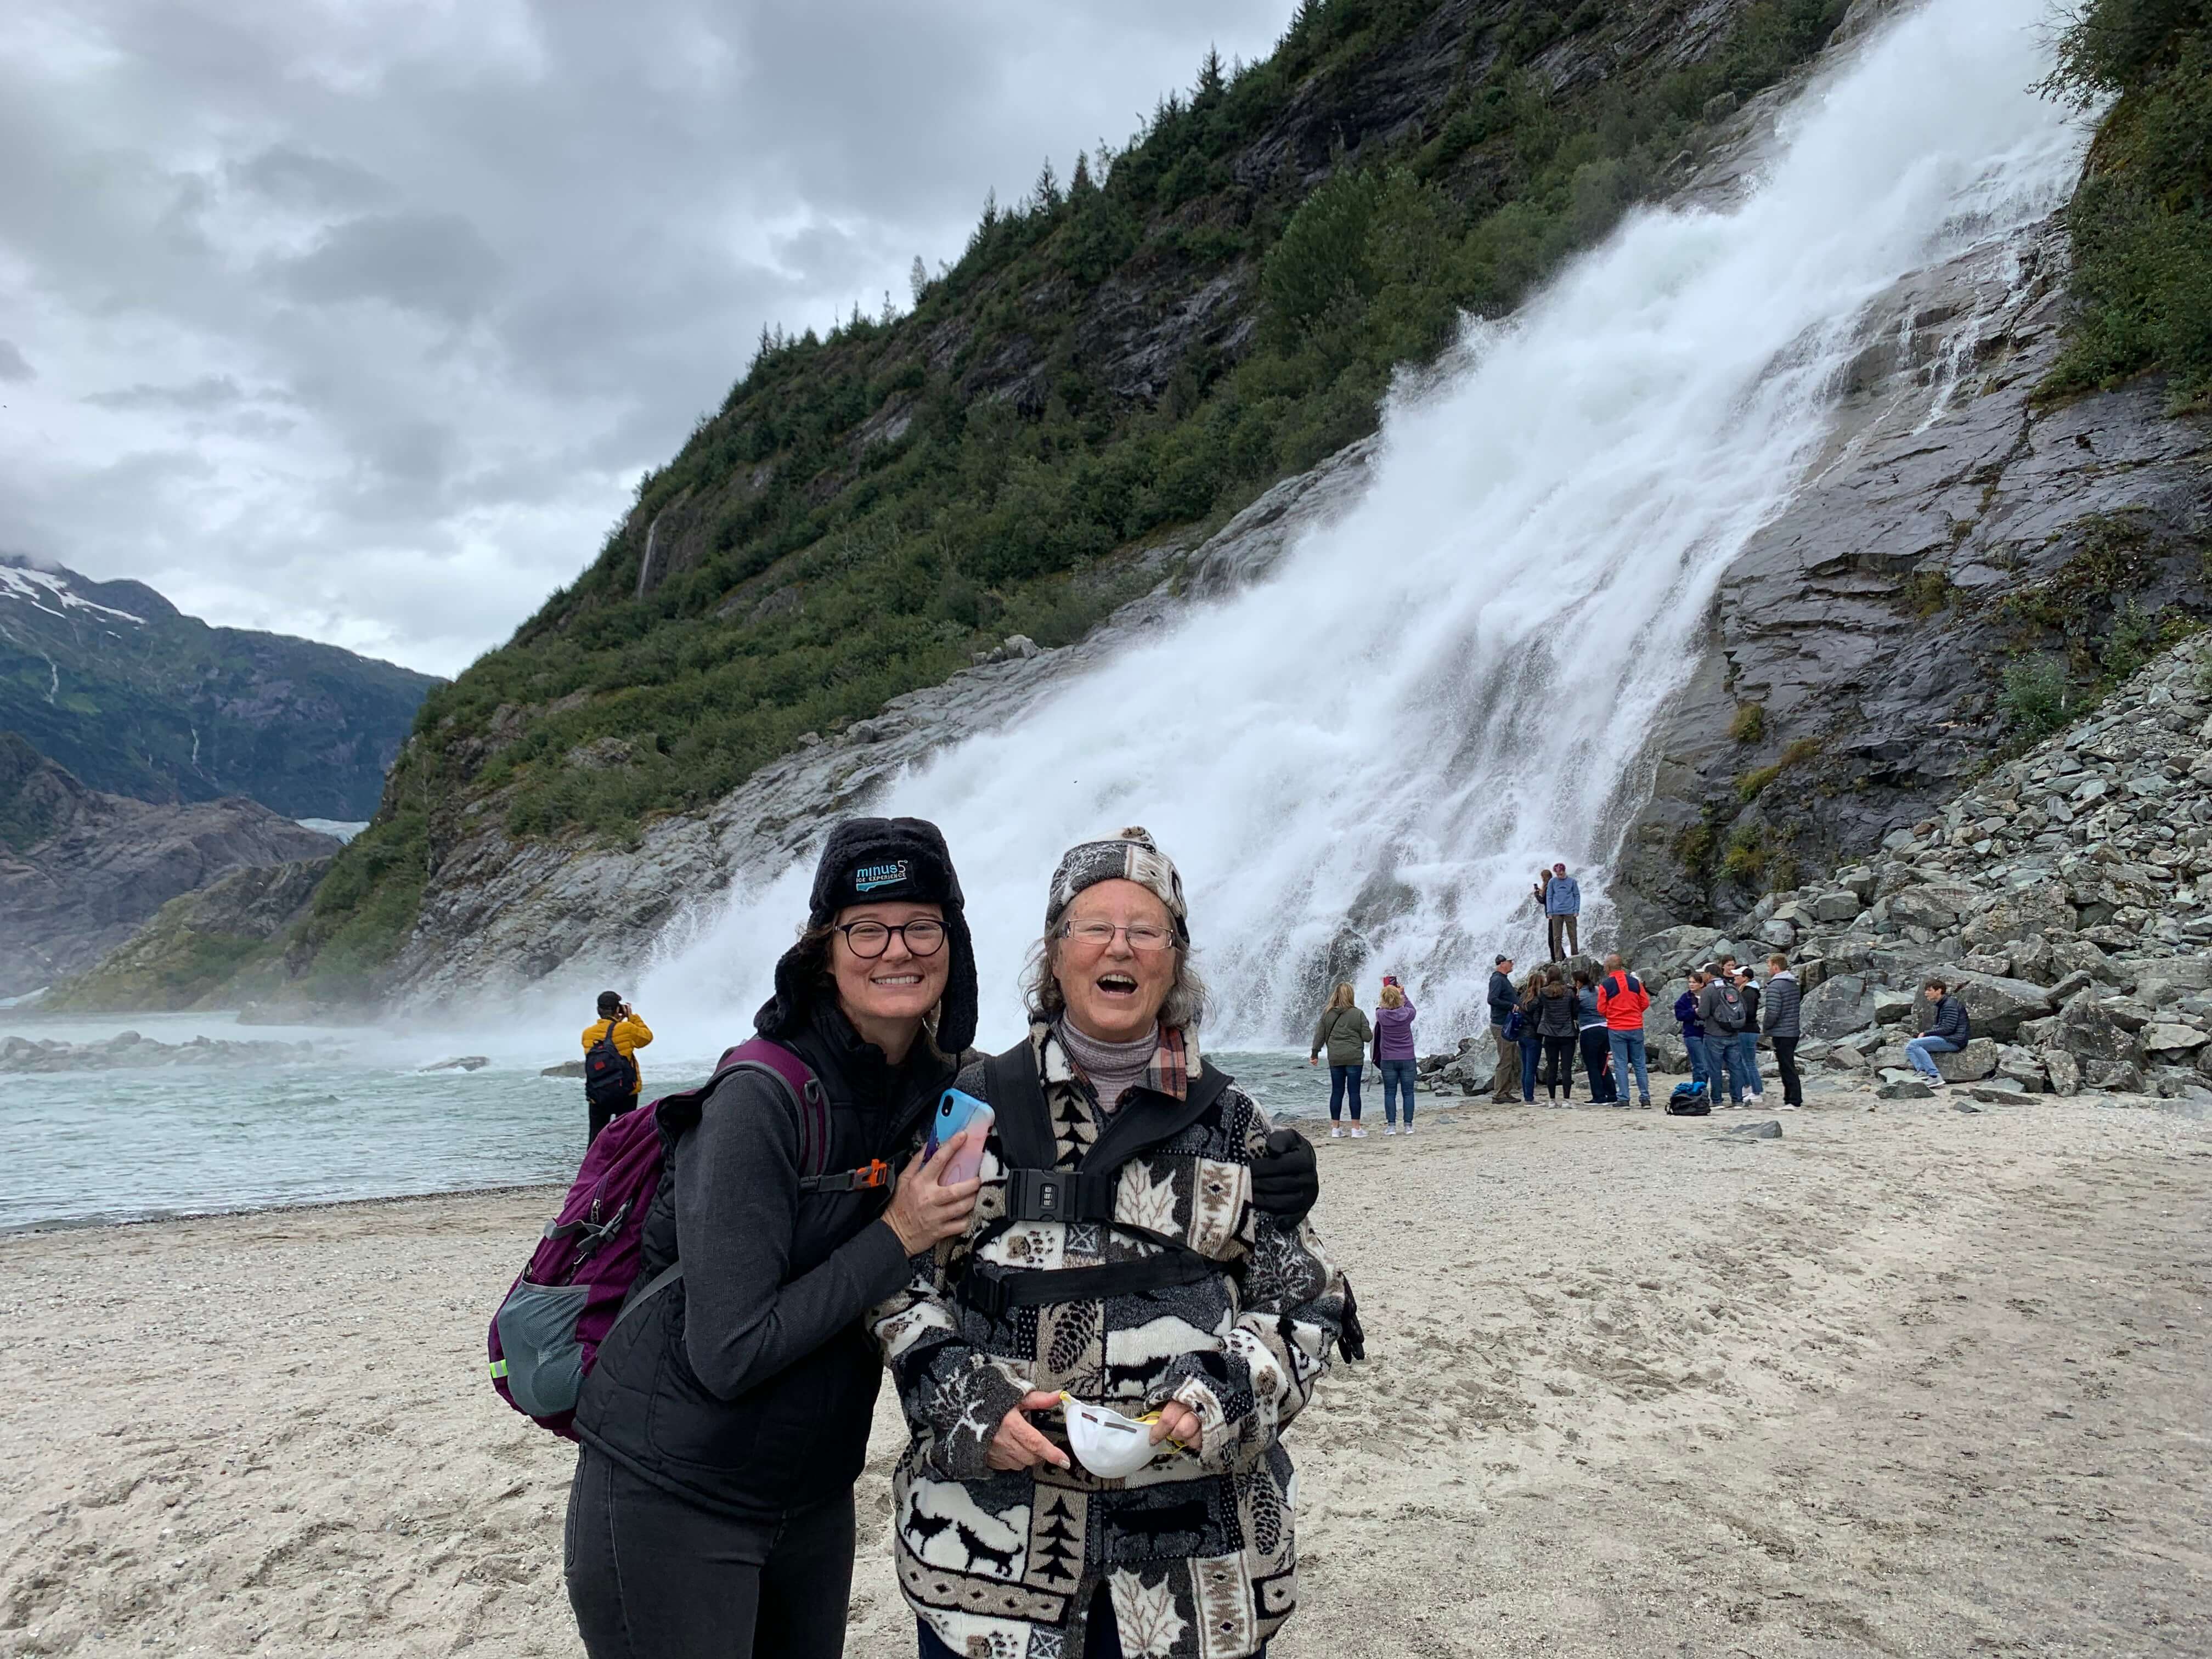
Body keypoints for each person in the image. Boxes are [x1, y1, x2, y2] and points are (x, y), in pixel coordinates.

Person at [872, 827, 1347, 1659]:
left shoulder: (1237, 1124)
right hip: (990, 1570)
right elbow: (898, 1287)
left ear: (1174, 963)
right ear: (1055, 956)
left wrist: (1218, 1402)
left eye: (1146, 930)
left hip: (1201, 1575)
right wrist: (972, 1404)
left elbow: (1306, 1305)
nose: (1119, 946)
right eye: (1094, 926)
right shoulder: (969, 1107)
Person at [565, 819, 985, 1659]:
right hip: (671, 1493)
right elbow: (730, 1349)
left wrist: (1264, 1166)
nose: (895, 949)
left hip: (812, 1497)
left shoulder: (945, 1086)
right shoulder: (761, 1095)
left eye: (921, 925)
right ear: (824, 949)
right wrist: (895, 1234)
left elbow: (1083, 1097)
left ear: (951, 943)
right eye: (866, 928)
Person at [580, 991, 654, 1146]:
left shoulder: (587, 1034)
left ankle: (594, 1168)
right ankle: (624, 1167)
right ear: (617, 1009)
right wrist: (632, 1017)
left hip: (597, 1092)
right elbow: (646, 1038)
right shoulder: (626, 1028)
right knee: (626, 1136)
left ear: (599, 1010)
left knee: (596, 1138)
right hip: (625, 1091)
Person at [1308, 981, 1373, 1138]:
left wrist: (1315, 1054)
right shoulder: (1358, 1014)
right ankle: (1356, 1129)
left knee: (1337, 1092)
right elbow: (1367, 1037)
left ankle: (1335, 1129)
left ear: (1335, 995)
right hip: (1354, 1058)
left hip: (1335, 1058)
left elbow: (1320, 1035)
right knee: (1354, 1093)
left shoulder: (1327, 1013)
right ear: (1351, 995)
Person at [1597, 953, 1652, 1109]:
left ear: (1608, 967)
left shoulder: (1606, 985)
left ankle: (1624, 1098)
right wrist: (1635, 1012)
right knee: (1640, 1064)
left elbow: (1601, 1008)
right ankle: (1645, 1098)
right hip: (1635, 1027)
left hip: (1617, 1028)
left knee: (1621, 1064)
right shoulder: (1635, 982)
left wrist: (1613, 1014)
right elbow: (1645, 1002)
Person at [1696, 963, 1751, 1108]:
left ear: (1709, 975)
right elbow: (1743, 1008)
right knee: (1736, 1067)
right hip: (1733, 1032)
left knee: (1715, 1068)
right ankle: (1737, 1099)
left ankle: (1717, 1099)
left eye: (1703, 974)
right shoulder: (1731, 986)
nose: (1702, 977)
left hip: (1714, 1034)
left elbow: (1703, 1014)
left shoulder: (1709, 990)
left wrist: (1696, 1010)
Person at [1373, 976, 1419, 1135]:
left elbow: (1380, 1007)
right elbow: (1411, 1007)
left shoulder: (1381, 1015)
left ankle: (1391, 1126)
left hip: (1389, 1059)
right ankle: (1408, 1126)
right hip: (1407, 1057)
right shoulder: (1408, 1014)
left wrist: (1390, 994)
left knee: (1389, 1093)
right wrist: (1403, 994)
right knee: (1408, 1092)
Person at [1905, 978, 1971, 1086]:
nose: (1926, 993)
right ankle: (1922, 1072)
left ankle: (1935, 1076)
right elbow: (1942, 1027)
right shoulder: (1943, 1004)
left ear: (1939, 991)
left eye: (1929, 990)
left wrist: (1926, 1034)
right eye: (1926, 990)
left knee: (1914, 1045)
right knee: (1909, 1048)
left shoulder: (1950, 1005)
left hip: (1955, 1041)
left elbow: (1948, 1028)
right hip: (1948, 1038)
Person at [1763, 954, 1803, 1109]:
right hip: (1792, 1030)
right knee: (1788, 1065)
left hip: (1782, 1031)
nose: (1768, 969)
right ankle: (1791, 1098)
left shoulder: (1775, 986)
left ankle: (1793, 1100)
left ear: (1775, 967)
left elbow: (1773, 1012)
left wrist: (1767, 1027)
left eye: (1769, 966)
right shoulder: (1792, 984)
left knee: (1786, 1066)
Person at [1534, 967, 1578, 1102]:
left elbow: (1539, 1011)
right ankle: (1566, 1099)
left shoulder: (1542, 993)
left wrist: (1538, 1028)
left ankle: (1552, 1100)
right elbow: (1575, 1013)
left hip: (1549, 1034)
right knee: (1566, 1068)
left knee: (1552, 1068)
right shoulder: (1569, 993)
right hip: (1567, 1034)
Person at [1573, 968, 1616, 1103]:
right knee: (1603, 1063)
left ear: (1578, 982)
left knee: (1592, 1065)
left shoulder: (1580, 996)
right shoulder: (1599, 990)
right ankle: (1612, 1094)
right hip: (1605, 1028)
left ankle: (1599, 1096)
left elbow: (1574, 1012)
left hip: (1589, 1030)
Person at [1731, 966, 1766, 1106]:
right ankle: (1749, 1088)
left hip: (1747, 1030)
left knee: (1749, 1062)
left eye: (1737, 976)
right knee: (1745, 1061)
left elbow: (1749, 1013)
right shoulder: (1747, 991)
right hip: (1748, 1030)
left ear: (1744, 978)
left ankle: (1757, 1092)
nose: (1734, 978)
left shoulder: (1748, 993)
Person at [1488, 952, 1520, 1103]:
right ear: (1502, 964)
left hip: (1505, 1024)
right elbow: (1492, 999)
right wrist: (1511, 1006)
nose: (1512, 964)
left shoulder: (1502, 979)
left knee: (1510, 1058)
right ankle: (1499, 1094)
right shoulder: (1497, 979)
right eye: (1510, 962)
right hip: (1501, 1025)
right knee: (1506, 1059)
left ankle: (1506, 1091)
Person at [1675, 970, 1711, 1093]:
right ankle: (1699, 1090)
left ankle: (1702, 1088)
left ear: (1702, 984)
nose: (1691, 985)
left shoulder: (1709, 996)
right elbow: (1679, 1015)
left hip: (1709, 1034)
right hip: (1692, 1033)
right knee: (1700, 1065)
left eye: (1694, 983)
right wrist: (1693, 1012)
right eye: (1690, 982)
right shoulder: (1685, 998)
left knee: (1708, 1065)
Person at [1544, 862, 1582, 962]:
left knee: (1573, 935)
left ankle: (1575, 956)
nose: (1559, 876)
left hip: (1570, 911)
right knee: (1557, 937)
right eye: (1557, 874)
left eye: (1561, 874)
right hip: (1556, 913)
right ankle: (1558, 959)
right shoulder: (1552, 882)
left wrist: (1576, 909)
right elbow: (1549, 897)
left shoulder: (1572, 881)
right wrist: (1549, 912)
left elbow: (1577, 896)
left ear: (1564, 871)